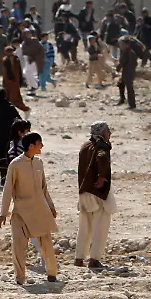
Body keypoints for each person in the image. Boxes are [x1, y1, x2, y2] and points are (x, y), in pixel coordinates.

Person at [0, 132, 59, 285]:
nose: (42, 146)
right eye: (39, 143)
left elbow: (44, 188)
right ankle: (20, 278)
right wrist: (3, 213)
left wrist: (51, 206)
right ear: (31, 146)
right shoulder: (16, 165)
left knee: (46, 244)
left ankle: (52, 274)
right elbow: (8, 189)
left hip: (40, 210)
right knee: (19, 246)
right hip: (21, 212)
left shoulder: (39, 162)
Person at [75, 121, 114, 270]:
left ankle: (79, 258)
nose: (110, 133)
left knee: (84, 226)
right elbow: (102, 157)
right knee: (101, 226)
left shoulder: (85, 146)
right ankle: (94, 259)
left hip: (84, 191)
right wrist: (101, 177)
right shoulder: (102, 145)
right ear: (101, 132)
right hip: (98, 192)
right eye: (108, 130)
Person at [116, 37, 137, 109]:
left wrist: (118, 68)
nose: (121, 46)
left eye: (122, 44)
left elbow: (122, 62)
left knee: (129, 88)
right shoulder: (129, 52)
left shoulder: (128, 52)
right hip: (128, 72)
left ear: (127, 44)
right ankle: (122, 99)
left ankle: (132, 104)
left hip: (128, 73)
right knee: (121, 84)